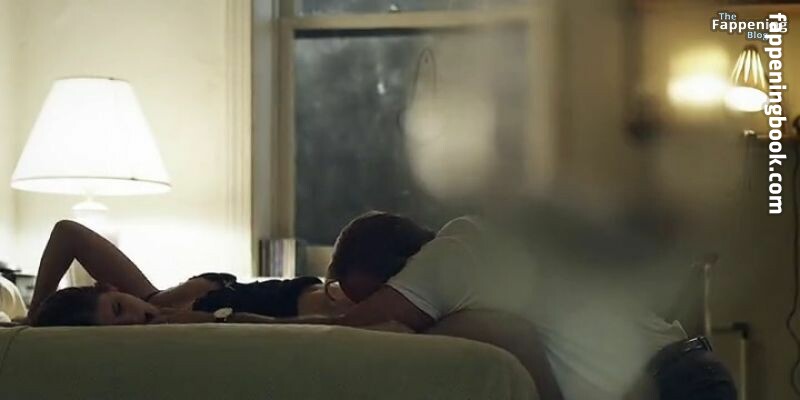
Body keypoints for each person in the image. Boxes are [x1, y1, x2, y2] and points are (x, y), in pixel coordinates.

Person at [27, 220, 352, 326]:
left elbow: (67, 233)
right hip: (311, 309)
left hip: (314, 291)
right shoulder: (173, 330)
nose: (135, 319)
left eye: (118, 307)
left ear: (110, 287)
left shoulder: (148, 297)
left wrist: (35, 314)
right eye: (121, 326)